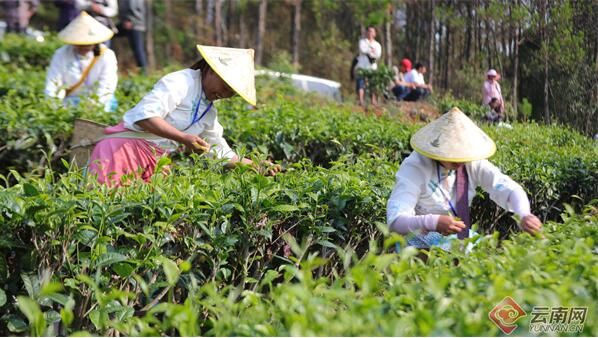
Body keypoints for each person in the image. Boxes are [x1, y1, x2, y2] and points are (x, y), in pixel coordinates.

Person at [87, 45, 280, 187]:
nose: (226, 95)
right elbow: (145, 116)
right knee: (105, 215)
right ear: (213, 70)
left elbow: (220, 152)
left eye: (233, 93)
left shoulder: (208, 111)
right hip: (123, 152)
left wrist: (255, 165)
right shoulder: (181, 82)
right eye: (226, 87)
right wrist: (182, 138)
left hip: (156, 163)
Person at [386, 107, 542, 251]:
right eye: (452, 152)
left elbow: (508, 187)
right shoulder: (415, 167)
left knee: (484, 253)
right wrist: (433, 222)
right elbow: (396, 220)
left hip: (454, 237)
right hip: (416, 239)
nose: (459, 160)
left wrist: (524, 214)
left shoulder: (471, 162)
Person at [44, 11, 118, 112]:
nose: (84, 47)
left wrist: (94, 106)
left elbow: (106, 85)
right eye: (80, 44)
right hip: (69, 100)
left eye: (88, 44)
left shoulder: (107, 55)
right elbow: (53, 82)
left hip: (98, 101)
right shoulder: (61, 54)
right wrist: (54, 105)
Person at [117, 0, 148, 73]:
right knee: (109, 33)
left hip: (135, 25)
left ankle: (144, 73)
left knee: (138, 49)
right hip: (125, 23)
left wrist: (132, 21)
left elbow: (139, 12)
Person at [355, 26, 382, 107]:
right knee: (361, 83)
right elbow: (363, 50)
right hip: (362, 66)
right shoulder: (362, 42)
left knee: (372, 84)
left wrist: (370, 51)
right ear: (366, 33)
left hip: (372, 67)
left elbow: (378, 55)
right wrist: (371, 50)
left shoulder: (377, 44)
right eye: (369, 31)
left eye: (372, 31)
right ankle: (361, 100)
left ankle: (373, 101)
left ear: (375, 34)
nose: (370, 33)